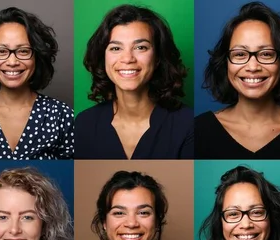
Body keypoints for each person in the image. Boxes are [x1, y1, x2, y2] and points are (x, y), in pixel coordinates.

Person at [195, 2, 280, 159]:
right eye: (240, 54)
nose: (252, 66)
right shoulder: (197, 130)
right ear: (226, 63)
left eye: (266, 54)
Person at [0, 7, 74, 159]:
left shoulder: (62, 116)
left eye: (23, 51)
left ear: (37, 56)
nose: (12, 62)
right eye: (1, 51)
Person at [75, 5, 193, 159]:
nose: (128, 58)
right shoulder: (84, 123)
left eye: (140, 47)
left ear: (157, 57)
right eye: (116, 48)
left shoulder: (188, 124)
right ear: (103, 57)